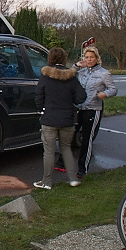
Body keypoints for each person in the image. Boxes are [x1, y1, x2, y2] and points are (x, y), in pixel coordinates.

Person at [34, 47, 87, 190]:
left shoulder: (45, 76)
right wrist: (71, 102)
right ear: (64, 59)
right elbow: (82, 97)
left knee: (49, 151)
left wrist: (41, 109)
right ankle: (73, 179)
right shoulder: (71, 77)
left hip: (50, 117)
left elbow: (38, 96)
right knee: (66, 148)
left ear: (50, 58)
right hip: (67, 118)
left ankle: (46, 181)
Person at [72, 46, 117, 177]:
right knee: (70, 135)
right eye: (86, 57)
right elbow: (68, 74)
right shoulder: (82, 72)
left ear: (97, 58)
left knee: (87, 139)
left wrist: (105, 93)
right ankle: (63, 163)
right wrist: (76, 65)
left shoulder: (104, 73)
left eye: (91, 57)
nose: (89, 59)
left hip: (93, 109)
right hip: (79, 108)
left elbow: (113, 89)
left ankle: (82, 168)